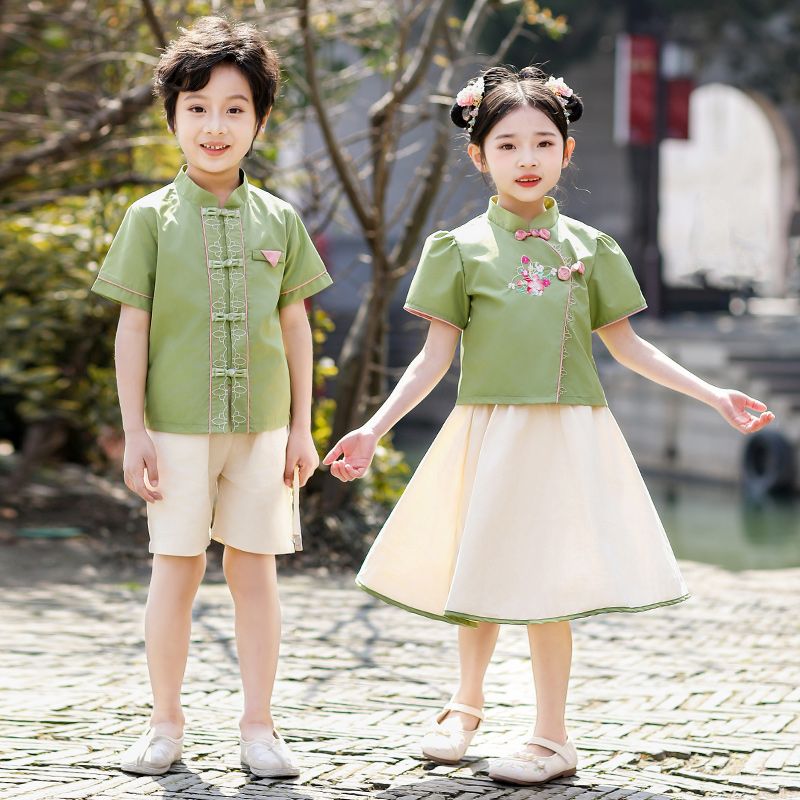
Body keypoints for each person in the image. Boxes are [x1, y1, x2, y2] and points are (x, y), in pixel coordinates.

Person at [323, 65, 774, 786]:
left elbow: (630, 347)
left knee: (545, 585)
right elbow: (431, 362)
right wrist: (375, 428)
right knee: (479, 570)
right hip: (488, 431)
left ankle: (552, 736)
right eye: (507, 145)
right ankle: (463, 707)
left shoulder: (593, 249)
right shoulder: (457, 249)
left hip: (566, 434)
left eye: (542, 142)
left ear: (566, 152)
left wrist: (713, 393)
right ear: (480, 157)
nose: (526, 159)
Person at [90, 17, 332, 779]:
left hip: (262, 431)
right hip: (176, 429)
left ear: (259, 121)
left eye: (234, 108)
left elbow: (295, 325)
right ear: (173, 119)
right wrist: (135, 432)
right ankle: (164, 724)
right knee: (176, 569)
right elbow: (133, 331)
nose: (215, 124)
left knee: (254, 575)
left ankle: (259, 727)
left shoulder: (280, 220)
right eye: (197, 107)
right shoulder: (149, 220)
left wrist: (302, 428)